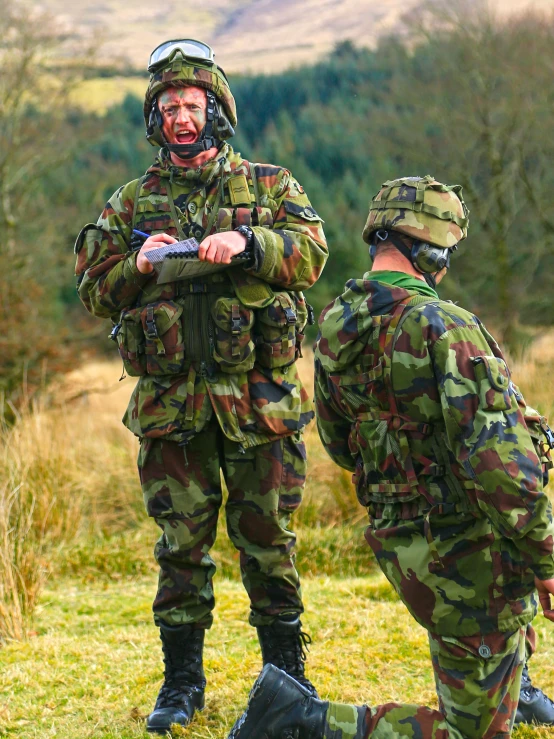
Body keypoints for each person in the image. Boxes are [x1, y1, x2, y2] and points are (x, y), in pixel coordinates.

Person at [227, 175, 554, 738]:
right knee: (471, 735)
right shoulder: (445, 327)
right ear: (429, 249)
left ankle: (509, 685)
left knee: (491, 644)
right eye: (445, 251)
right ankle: (298, 719)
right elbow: (501, 468)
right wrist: (548, 560)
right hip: (467, 553)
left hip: (406, 544)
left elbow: (340, 446)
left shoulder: (336, 327)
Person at [74, 38, 327, 735]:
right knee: (179, 551)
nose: (181, 118)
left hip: (260, 409)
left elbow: (311, 254)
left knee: (269, 542)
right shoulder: (131, 202)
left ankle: (288, 677)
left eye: (193, 105)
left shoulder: (271, 186)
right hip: (172, 414)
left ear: (217, 110)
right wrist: (139, 265)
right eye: (169, 107)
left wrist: (251, 246)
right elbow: (94, 289)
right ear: (154, 118)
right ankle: (182, 683)